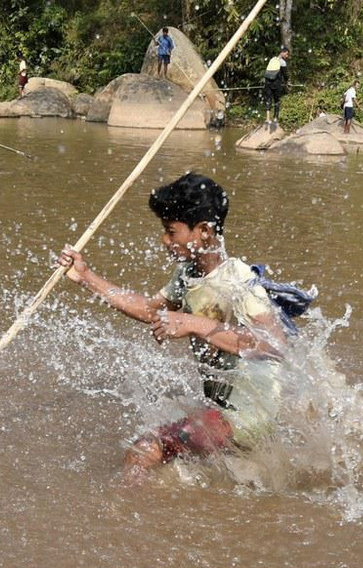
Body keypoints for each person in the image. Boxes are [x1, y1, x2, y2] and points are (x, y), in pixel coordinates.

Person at [56, 173, 296, 478]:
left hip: (247, 416)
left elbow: (274, 345)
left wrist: (193, 322)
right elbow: (148, 309)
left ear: (205, 232)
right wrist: (86, 276)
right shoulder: (187, 275)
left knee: (144, 451)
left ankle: (122, 518)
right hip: (224, 412)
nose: (165, 241)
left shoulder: (239, 281)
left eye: (171, 232)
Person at [263, 46, 289, 129]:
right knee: (277, 100)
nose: (287, 56)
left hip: (267, 83)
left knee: (268, 100)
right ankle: (275, 119)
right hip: (276, 84)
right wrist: (286, 82)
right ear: (283, 52)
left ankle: (267, 119)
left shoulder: (272, 59)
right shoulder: (282, 63)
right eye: (287, 54)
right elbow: (285, 74)